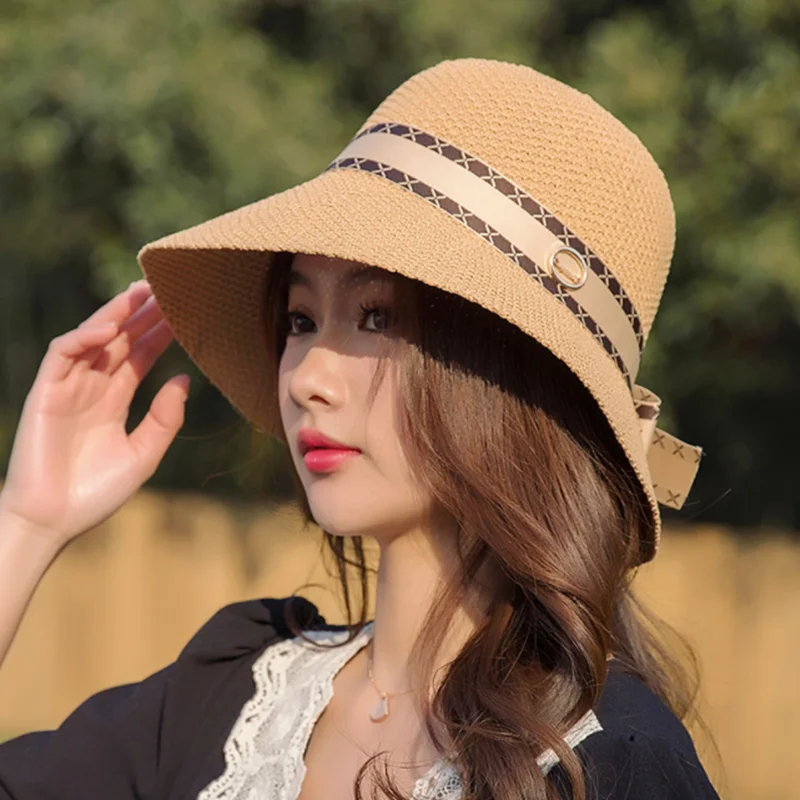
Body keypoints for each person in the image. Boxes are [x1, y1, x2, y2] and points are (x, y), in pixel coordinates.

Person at [0, 58, 721, 799]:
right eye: (300, 320)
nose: (306, 378)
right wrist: (26, 524)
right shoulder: (233, 696)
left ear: (512, 377)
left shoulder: (611, 764)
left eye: (377, 317)